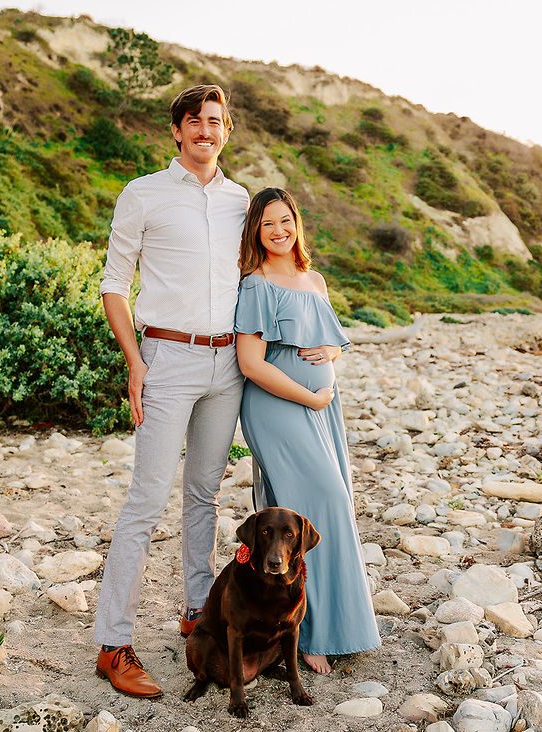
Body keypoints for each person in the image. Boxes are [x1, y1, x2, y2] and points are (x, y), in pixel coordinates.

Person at [93, 84, 250, 698]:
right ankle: (114, 644)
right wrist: (135, 361)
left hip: (226, 366)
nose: (205, 131)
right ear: (178, 131)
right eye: (195, 122)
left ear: (226, 131)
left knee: (204, 495)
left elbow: (270, 273)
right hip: (165, 358)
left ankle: (197, 614)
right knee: (146, 501)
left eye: (215, 122)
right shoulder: (144, 194)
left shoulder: (241, 200)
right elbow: (113, 283)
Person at [234, 188, 381, 674]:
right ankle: (313, 633)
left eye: (285, 221)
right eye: (267, 224)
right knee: (324, 504)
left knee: (331, 506)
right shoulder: (255, 283)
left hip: (322, 409)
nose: (278, 231)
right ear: (255, 230)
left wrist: (332, 357)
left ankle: (333, 626)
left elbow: (330, 339)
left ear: (297, 223)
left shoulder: (313, 279)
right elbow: (252, 364)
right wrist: (313, 394)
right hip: (278, 407)